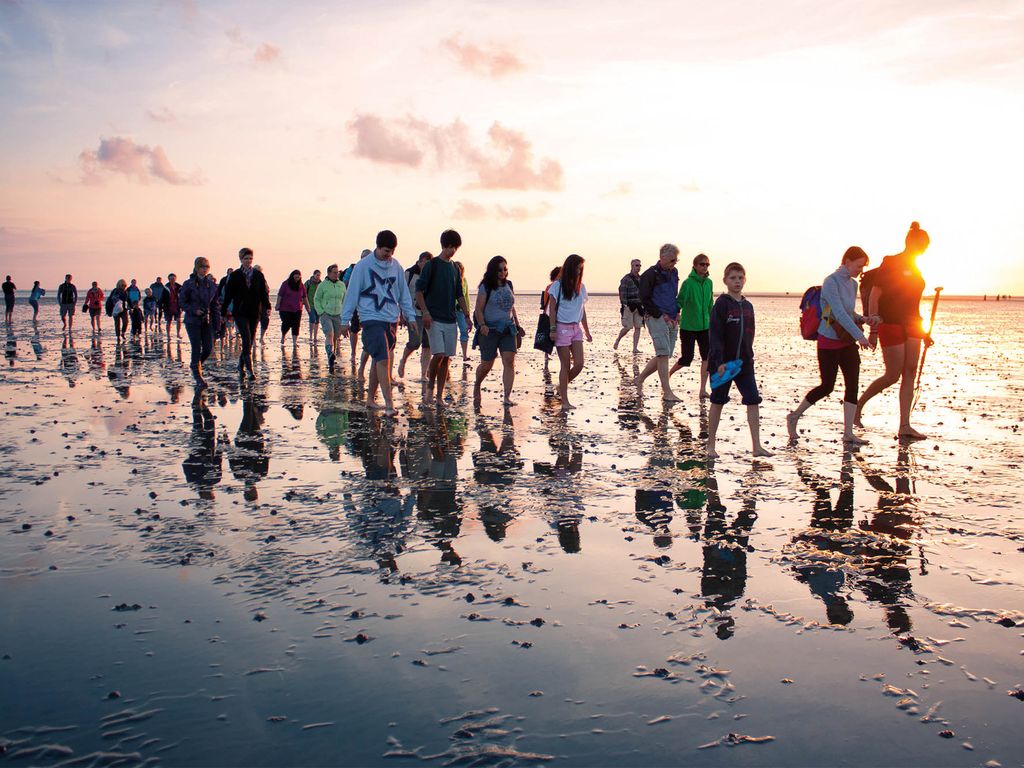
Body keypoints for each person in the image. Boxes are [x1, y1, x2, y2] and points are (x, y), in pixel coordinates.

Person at [788, 247, 878, 445]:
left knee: (852, 383)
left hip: (846, 341)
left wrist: (864, 319)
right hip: (828, 341)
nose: (860, 270)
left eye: (863, 267)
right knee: (827, 386)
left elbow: (849, 313)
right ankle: (794, 416)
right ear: (847, 261)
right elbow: (837, 312)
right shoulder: (831, 282)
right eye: (858, 265)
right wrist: (860, 336)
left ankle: (848, 433)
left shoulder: (853, 284)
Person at [855, 222, 932, 440]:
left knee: (910, 372)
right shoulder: (892, 262)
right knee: (892, 374)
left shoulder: (916, 267)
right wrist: (874, 328)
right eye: (923, 245)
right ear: (912, 243)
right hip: (891, 323)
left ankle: (905, 425)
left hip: (914, 324)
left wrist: (925, 332)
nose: (925, 250)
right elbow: (875, 296)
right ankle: (858, 406)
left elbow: (913, 302)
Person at [339, 230, 417, 416]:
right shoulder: (363, 267)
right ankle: (389, 404)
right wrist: (345, 320)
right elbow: (352, 293)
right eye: (385, 251)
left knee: (377, 359)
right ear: (378, 246)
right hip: (370, 318)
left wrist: (410, 316)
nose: (388, 255)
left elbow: (403, 293)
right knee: (383, 358)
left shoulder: (395, 266)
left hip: (391, 319)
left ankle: (370, 400)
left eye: (392, 251)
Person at [706, 262, 772, 458]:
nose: (737, 281)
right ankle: (710, 445)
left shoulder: (748, 306)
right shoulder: (722, 304)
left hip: (744, 364)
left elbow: (750, 334)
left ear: (745, 280)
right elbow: (715, 335)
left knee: (753, 400)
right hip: (723, 365)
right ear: (725, 281)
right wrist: (718, 363)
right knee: (718, 401)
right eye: (733, 278)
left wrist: (749, 358)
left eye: (740, 278)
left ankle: (757, 446)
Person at [416, 230, 472, 405]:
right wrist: (425, 312)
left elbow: (459, 295)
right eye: (451, 247)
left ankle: (439, 396)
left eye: (456, 247)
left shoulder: (455, 268)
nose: (453, 250)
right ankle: (429, 391)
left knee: (447, 357)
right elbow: (419, 291)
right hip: (434, 319)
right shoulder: (432, 265)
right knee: (438, 354)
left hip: (450, 319)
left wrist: (468, 316)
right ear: (445, 245)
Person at [635, 244, 683, 402]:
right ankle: (667, 392)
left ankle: (640, 378)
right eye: (671, 260)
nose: (674, 263)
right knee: (663, 353)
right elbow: (644, 299)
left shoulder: (674, 272)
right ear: (662, 257)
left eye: (676, 260)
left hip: (672, 317)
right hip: (656, 318)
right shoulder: (650, 274)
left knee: (665, 354)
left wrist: (676, 312)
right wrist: (660, 315)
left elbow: (673, 295)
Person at [473, 255, 521, 406]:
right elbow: (478, 309)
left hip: (508, 329)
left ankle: (507, 397)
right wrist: (482, 325)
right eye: (499, 269)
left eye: (505, 269)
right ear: (493, 270)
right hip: (490, 330)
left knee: (509, 361)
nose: (503, 272)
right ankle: (477, 384)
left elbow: (511, 306)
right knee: (487, 365)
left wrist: (518, 325)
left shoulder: (509, 285)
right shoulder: (485, 286)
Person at [547, 254, 592, 412]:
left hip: (575, 329)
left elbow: (582, 310)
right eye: (577, 268)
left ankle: (561, 387)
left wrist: (587, 331)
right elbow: (551, 309)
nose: (579, 271)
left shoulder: (582, 287)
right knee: (565, 366)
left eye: (581, 269)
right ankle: (565, 400)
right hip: (561, 328)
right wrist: (552, 329)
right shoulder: (557, 286)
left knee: (579, 364)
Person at [669, 253, 714, 397]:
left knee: (707, 357)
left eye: (707, 264)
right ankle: (668, 375)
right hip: (688, 327)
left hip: (705, 327)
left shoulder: (709, 283)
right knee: (686, 358)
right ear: (695, 265)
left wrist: (713, 321)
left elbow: (710, 304)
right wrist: (673, 315)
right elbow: (679, 301)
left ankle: (702, 390)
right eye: (702, 264)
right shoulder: (688, 283)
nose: (705, 267)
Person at [224, 247, 271, 380]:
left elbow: (263, 292)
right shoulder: (235, 275)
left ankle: (241, 364)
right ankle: (250, 369)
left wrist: (267, 306)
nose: (248, 261)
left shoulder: (258, 275)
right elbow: (228, 294)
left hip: (254, 311)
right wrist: (224, 310)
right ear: (241, 259)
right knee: (246, 338)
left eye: (250, 258)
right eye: (246, 258)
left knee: (250, 340)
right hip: (240, 311)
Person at [179, 256, 222, 388]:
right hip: (192, 321)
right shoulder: (188, 284)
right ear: (197, 268)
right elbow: (182, 302)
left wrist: (217, 324)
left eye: (207, 267)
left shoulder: (212, 285)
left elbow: (215, 305)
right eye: (202, 266)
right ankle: (198, 376)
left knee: (208, 348)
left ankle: (196, 365)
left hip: (207, 320)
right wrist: (194, 310)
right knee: (196, 347)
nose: (205, 269)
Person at [397, 251, 432, 380]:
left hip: (427, 313)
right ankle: (403, 361)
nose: (426, 266)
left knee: (428, 344)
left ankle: (424, 374)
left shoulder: (431, 276)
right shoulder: (409, 274)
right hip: (412, 314)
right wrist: (402, 313)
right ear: (419, 262)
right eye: (424, 263)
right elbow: (401, 293)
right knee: (415, 342)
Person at [313, 263, 347, 373]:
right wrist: (321, 312)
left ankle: (332, 358)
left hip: (338, 314)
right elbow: (316, 299)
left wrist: (345, 314)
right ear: (329, 273)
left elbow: (345, 299)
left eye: (337, 273)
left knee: (336, 337)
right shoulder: (323, 285)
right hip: (326, 313)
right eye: (334, 273)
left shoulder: (341, 285)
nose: (336, 274)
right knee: (329, 333)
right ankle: (329, 353)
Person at [613, 259, 644, 352]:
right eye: (636, 265)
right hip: (629, 306)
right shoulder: (626, 279)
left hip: (639, 306)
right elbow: (622, 292)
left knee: (638, 327)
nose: (638, 267)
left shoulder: (641, 279)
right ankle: (618, 340)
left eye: (639, 265)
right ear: (632, 266)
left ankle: (635, 348)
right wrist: (625, 304)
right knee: (628, 327)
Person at [276, 269, 307, 347]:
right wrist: (277, 304)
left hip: (297, 308)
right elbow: (280, 295)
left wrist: (308, 307)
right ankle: (283, 335)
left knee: (296, 324)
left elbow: (304, 297)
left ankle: (294, 342)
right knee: (287, 323)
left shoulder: (301, 285)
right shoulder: (285, 284)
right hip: (285, 308)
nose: (296, 279)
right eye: (295, 277)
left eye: (298, 278)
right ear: (292, 277)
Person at [540, 266, 561, 366]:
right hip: (550, 313)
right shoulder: (551, 286)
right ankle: (546, 354)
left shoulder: (558, 286)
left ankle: (546, 355)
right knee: (549, 335)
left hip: (551, 312)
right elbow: (546, 301)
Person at [453, 260, 473, 362]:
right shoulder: (450, 280)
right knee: (452, 331)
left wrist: (467, 313)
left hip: (461, 311)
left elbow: (465, 297)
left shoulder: (464, 281)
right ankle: (450, 354)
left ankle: (464, 355)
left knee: (464, 331)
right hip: (451, 310)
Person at [254, 265, 271, 344]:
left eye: (259, 271)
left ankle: (261, 337)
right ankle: (253, 340)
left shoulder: (263, 280)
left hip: (263, 304)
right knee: (254, 322)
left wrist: (268, 307)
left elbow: (266, 293)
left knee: (265, 321)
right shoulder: (250, 280)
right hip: (253, 304)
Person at [305, 269, 322, 344]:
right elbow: (303, 293)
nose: (318, 277)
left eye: (319, 275)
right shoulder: (308, 283)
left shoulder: (321, 284)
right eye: (317, 275)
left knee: (317, 320)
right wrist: (304, 302)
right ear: (314, 275)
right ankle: (311, 336)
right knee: (312, 318)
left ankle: (315, 336)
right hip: (310, 304)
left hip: (318, 305)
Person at [216, 268, 233, 341]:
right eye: (229, 272)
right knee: (227, 317)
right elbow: (219, 290)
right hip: (225, 302)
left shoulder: (236, 280)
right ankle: (228, 333)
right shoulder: (223, 280)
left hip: (232, 302)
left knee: (232, 318)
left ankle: (230, 332)